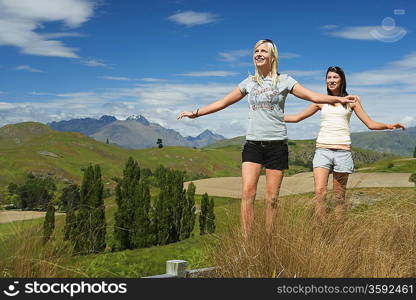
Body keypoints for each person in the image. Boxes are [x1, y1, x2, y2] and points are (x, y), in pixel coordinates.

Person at [177, 40, 359, 238]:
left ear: (272, 57)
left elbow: (311, 96)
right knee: (248, 193)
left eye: (263, 51)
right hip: (253, 144)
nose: (258, 54)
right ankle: (247, 242)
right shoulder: (248, 82)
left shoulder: (285, 81)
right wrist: (196, 113)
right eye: (256, 51)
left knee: (272, 199)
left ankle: (269, 241)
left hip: (277, 145)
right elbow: (223, 102)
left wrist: (338, 99)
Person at [284, 66, 405, 223]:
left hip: (343, 152)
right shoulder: (320, 101)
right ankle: (321, 230)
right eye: (329, 77)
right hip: (322, 150)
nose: (331, 80)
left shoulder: (351, 102)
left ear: (342, 80)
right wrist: (273, 116)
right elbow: (297, 117)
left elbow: (370, 124)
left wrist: (390, 126)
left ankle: (339, 231)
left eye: (335, 77)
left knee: (339, 197)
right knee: (320, 193)